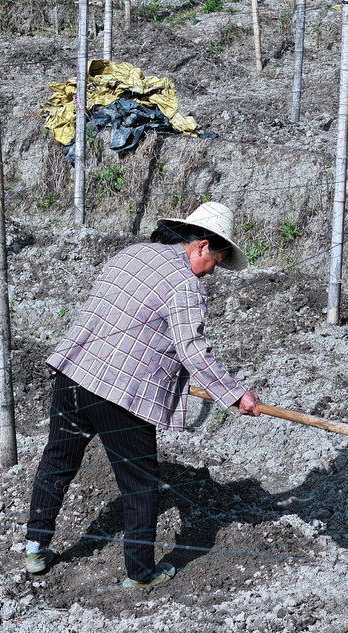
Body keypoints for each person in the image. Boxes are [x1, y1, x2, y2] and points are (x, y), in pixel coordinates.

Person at [23, 201, 261, 588]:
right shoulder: (185, 285)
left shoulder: (131, 253)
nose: (212, 271)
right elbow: (193, 350)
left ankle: (35, 547)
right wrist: (235, 394)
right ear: (202, 246)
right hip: (119, 394)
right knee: (140, 485)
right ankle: (140, 572)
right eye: (216, 261)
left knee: (57, 462)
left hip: (73, 373)